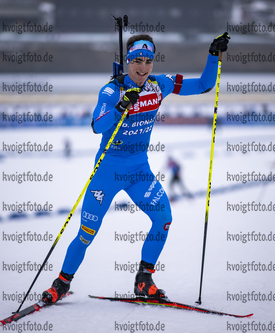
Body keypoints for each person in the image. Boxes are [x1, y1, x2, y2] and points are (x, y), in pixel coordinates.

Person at [41, 33, 230, 303]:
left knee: (163, 218)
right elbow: (97, 125)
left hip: (139, 171)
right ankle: (61, 283)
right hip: (107, 172)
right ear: (127, 61)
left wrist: (214, 56)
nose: (143, 67)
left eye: (148, 61)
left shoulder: (158, 84)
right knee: (86, 234)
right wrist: (120, 107)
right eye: (137, 61)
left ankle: (144, 280)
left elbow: (203, 85)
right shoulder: (111, 90)